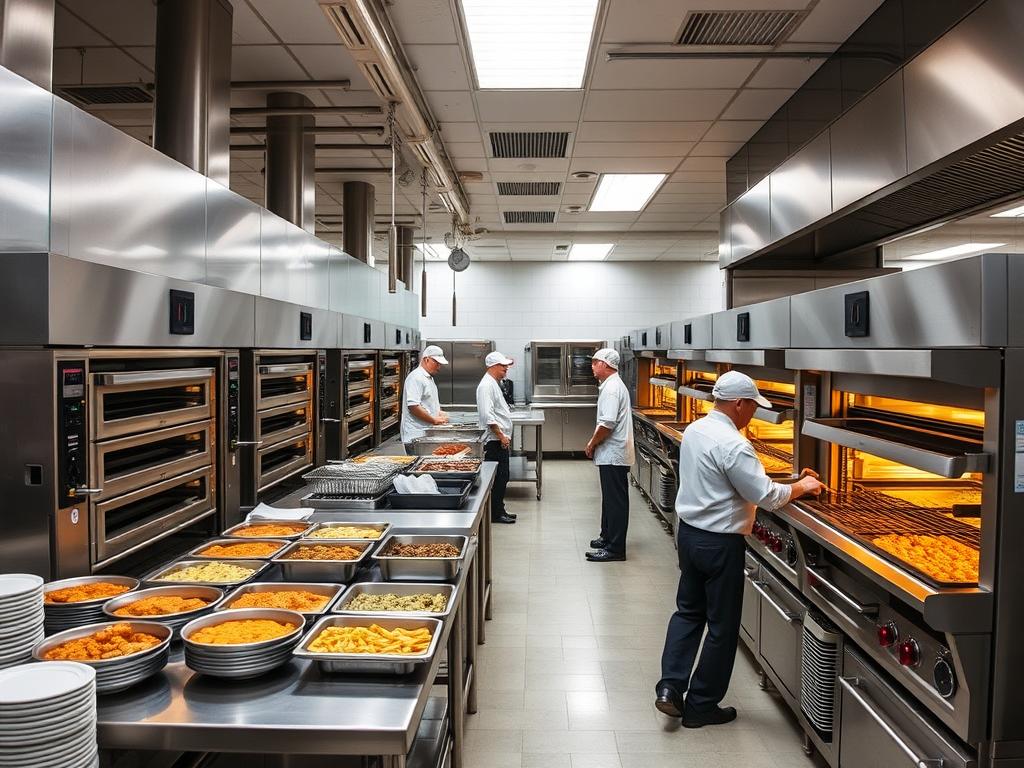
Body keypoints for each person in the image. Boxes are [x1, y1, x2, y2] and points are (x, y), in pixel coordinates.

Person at [655, 370, 824, 728]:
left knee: (687, 612)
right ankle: (701, 705)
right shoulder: (735, 445)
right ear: (738, 404)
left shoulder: (697, 429)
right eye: (752, 407)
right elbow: (765, 495)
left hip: (689, 535)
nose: (754, 414)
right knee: (721, 626)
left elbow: (733, 482)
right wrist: (804, 486)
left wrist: (791, 481)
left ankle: (670, 688)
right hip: (720, 544)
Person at [584, 348, 635, 562]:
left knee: (615, 502)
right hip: (611, 453)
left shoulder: (612, 389)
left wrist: (591, 443)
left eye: (595, 362)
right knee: (609, 499)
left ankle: (615, 549)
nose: (592, 366)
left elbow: (607, 424)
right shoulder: (609, 385)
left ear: (606, 365)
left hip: (614, 454)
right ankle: (607, 536)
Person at [476, 351, 517, 525]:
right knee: (499, 477)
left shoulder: (493, 383)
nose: (506, 369)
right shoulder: (486, 386)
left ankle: (499, 509)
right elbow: (487, 416)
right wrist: (501, 436)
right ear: (493, 366)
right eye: (503, 366)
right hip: (494, 441)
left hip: (498, 439)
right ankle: (495, 513)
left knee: (503, 476)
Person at [401, 345, 450, 452]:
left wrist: (439, 412)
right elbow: (413, 406)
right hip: (416, 437)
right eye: (436, 363)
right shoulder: (416, 377)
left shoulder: (428, 378)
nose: (438, 367)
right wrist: (434, 420)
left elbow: (427, 402)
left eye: (440, 364)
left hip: (426, 435)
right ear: (426, 359)